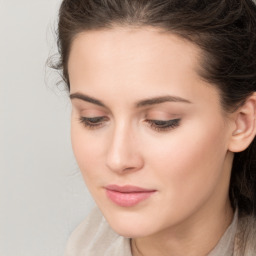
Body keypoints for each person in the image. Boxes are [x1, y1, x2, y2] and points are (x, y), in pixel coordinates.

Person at [51, 0, 256, 255]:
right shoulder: (83, 245)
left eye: (161, 121)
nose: (118, 159)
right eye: (93, 118)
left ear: (242, 123)